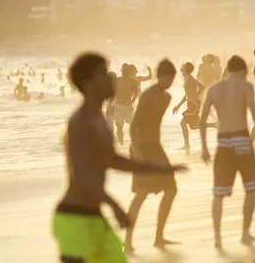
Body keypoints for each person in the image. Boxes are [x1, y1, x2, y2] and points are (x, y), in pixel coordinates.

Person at [52, 53, 185, 263]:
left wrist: (161, 168)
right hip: (73, 218)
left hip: (95, 217)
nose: (112, 79)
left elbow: (114, 160)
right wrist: (114, 205)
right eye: (104, 74)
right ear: (87, 83)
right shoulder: (79, 123)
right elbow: (83, 174)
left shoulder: (100, 120)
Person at [199, 55, 255, 248]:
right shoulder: (245, 86)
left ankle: (217, 237)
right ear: (241, 71)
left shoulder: (213, 89)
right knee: (251, 188)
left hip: (223, 142)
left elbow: (203, 119)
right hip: (242, 140)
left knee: (218, 192)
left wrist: (204, 147)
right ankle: (245, 234)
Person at [125, 59, 183, 252]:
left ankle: (159, 237)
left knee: (171, 189)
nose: (169, 81)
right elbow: (134, 127)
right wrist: (138, 154)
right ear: (159, 76)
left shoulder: (166, 97)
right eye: (167, 77)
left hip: (155, 148)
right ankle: (127, 242)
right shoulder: (148, 96)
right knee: (141, 194)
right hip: (141, 148)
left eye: (172, 78)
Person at [172, 62, 215, 153]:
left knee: (183, 123)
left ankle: (187, 145)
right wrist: (178, 106)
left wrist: (195, 96)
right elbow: (187, 95)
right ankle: (214, 124)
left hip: (194, 104)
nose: (182, 66)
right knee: (194, 126)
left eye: (183, 66)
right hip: (190, 103)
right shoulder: (185, 79)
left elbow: (202, 86)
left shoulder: (190, 78)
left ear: (186, 69)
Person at [114, 64, 139, 146]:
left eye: (125, 70)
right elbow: (110, 92)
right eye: (124, 70)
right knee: (122, 127)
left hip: (126, 106)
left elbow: (136, 93)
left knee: (130, 126)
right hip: (122, 106)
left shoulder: (132, 81)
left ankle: (130, 144)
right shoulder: (117, 80)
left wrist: (132, 101)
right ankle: (123, 145)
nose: (124, 71)